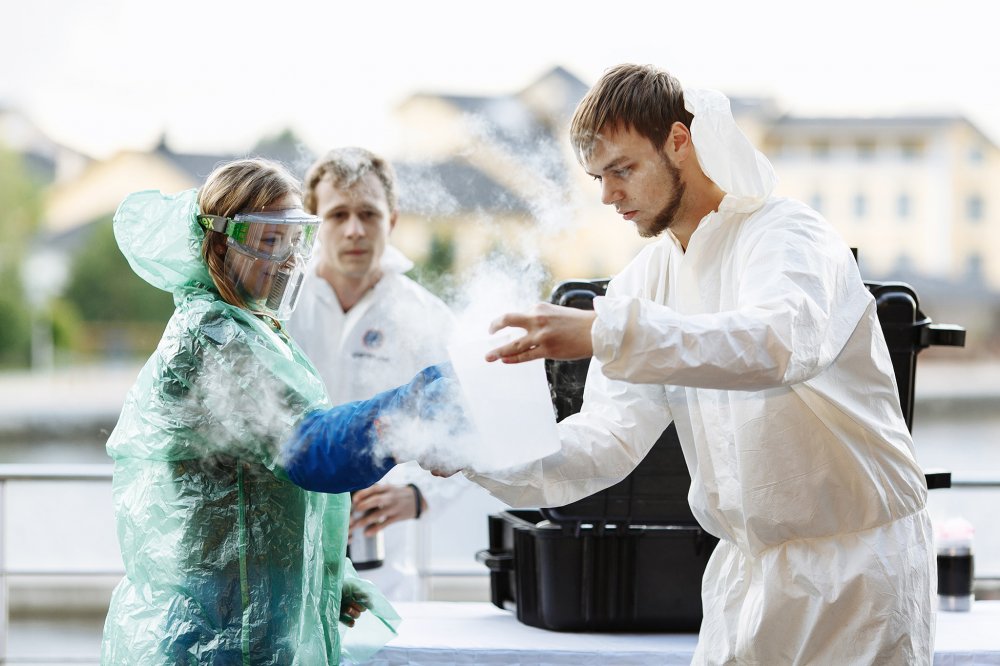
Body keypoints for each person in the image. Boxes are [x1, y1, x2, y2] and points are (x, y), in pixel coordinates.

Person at [469, 64, 935, 664]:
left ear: (679, 142)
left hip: (857, 575)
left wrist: (604, 331)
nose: (608, 195)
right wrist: (473, 451)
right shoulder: (645, 280)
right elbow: (605, 444)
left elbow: (775, 344)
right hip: (744, 575)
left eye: (623, 169)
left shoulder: (788, 235)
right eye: (598, 177)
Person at [101, 157, 447, 664]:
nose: (287, 260)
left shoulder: (252, 326)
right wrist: (422, 401)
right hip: (221, 624)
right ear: (222, 243)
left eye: (293, 240)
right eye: (269, 241)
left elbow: (264, 492)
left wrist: (325, 572)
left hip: (254, 610)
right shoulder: (212, 337)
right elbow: (306, 449)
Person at [286, 146, 469, 601]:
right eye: (338, 214)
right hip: (287, 546)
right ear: (313, 222)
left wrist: (420, 495)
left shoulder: (427, 317)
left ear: (392, 220)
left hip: (383, 565)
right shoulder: (282, 305)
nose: (354, 230)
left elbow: (469, 423)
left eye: (368, 213)